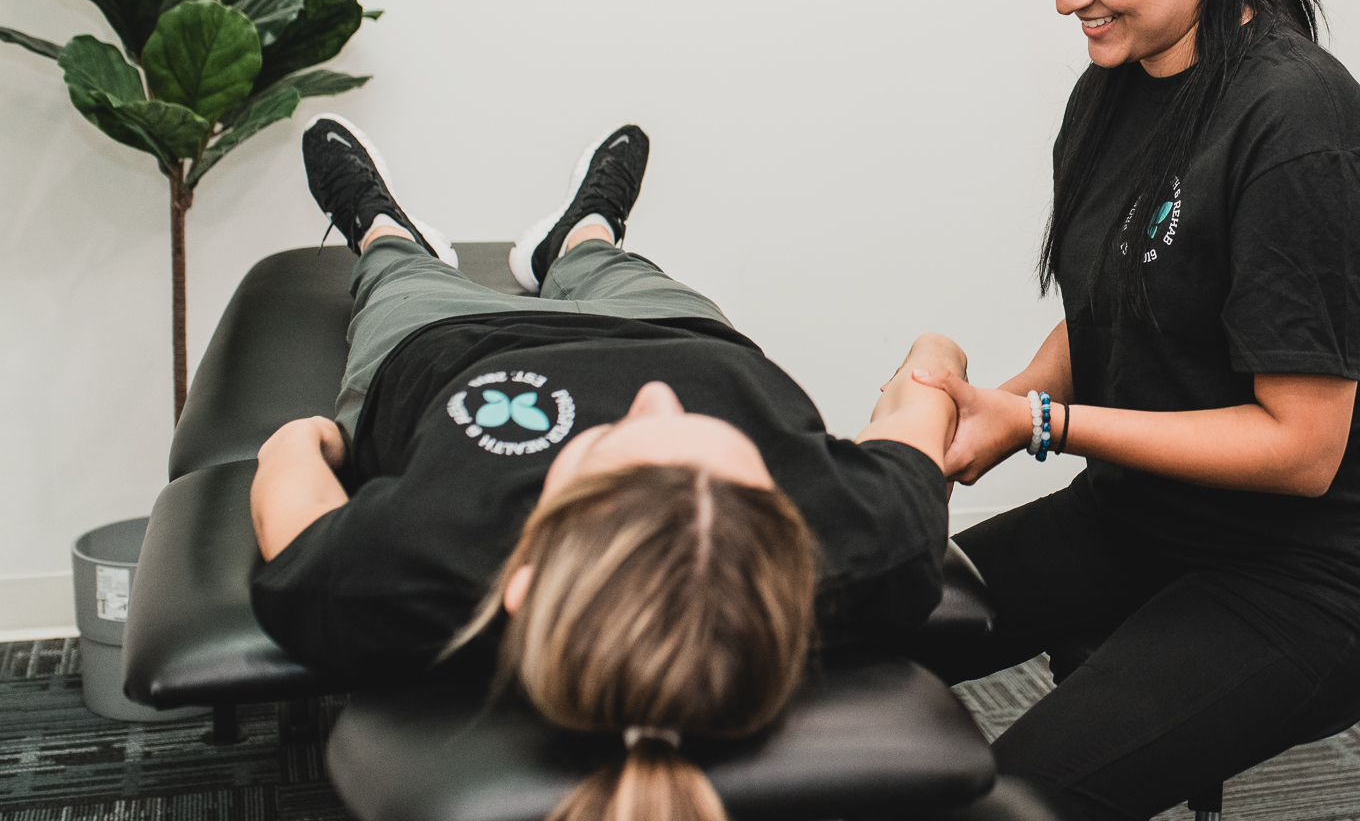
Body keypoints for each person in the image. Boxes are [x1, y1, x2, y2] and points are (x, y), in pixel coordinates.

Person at [909, 0, 1360, 821]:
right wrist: (1000, 407)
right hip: (1139, 516)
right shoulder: (1113, 84)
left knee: (1006, 804)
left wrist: (1042, 423)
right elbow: (1121, 297)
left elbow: (1300, 447)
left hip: (1303, 572)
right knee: (829, 638)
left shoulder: (1301, 125)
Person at [248, 115, 961, 821]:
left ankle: (382, 229)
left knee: (396, 272)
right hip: (679, 332)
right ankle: (584, 236)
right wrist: (938, 352)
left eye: (610, 442)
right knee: (615, 266)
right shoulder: (866, 541)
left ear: (524, 582)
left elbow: (291, 490)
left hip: (443, 342)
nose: (655, 398)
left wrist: (313, 439)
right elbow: (924, 395)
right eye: (711, 432)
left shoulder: (413, 567)